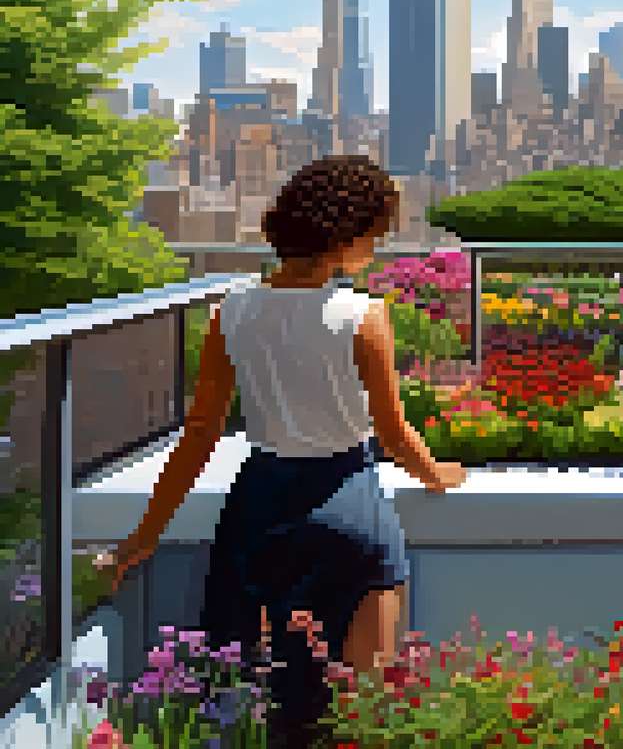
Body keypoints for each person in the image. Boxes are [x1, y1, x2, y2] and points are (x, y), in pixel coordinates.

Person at [99, 155, 467, 747]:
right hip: (349, 502)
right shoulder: (363, 315)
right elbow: (394, 434)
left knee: (254, 698)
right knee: (357, 704)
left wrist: (145, 534)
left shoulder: (232, 311)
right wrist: (437, 475)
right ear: (346, 238)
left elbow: (198, 434)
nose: (375, 250)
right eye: (374, 238)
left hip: (259, 507)